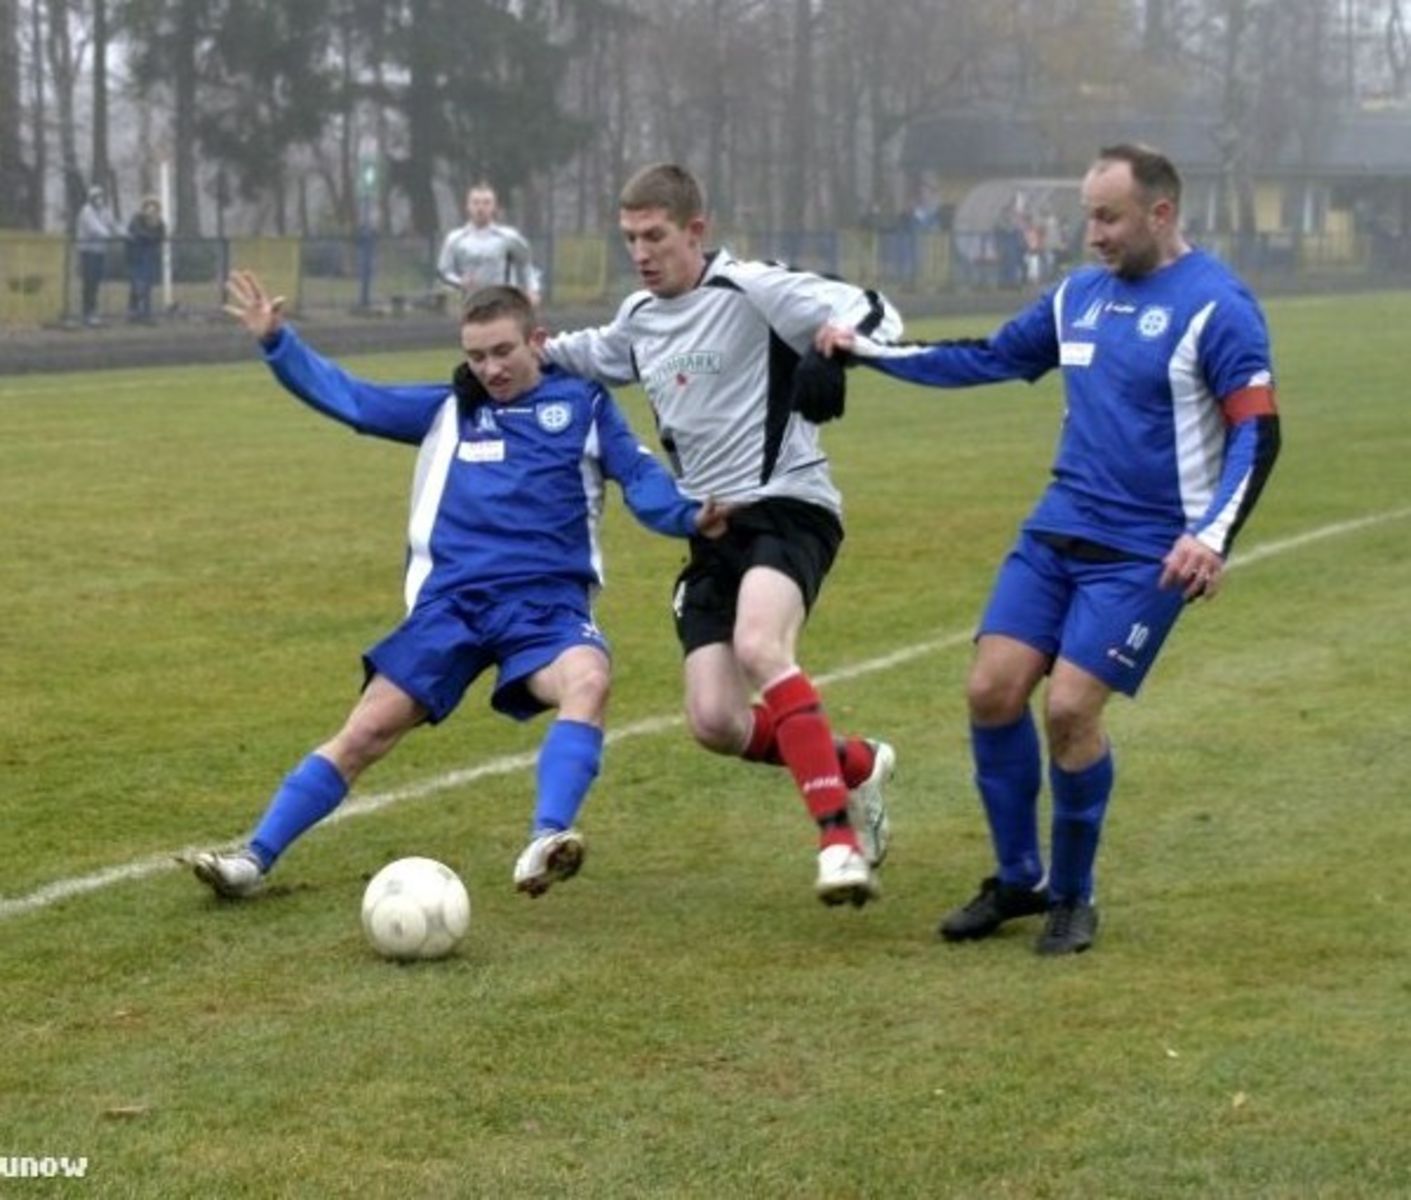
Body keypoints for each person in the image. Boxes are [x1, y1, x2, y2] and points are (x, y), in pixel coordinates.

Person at [817, 143, 1281, 952]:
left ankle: (1073, 892)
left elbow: (1257, 429)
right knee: (991, 692)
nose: (1091, 234)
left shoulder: (1218, 306)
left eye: (1107, 217)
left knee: (1068, 710)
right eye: (1086, 217)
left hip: (1145, 551)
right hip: (1055, 530)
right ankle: (1018, 879)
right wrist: (865, 354)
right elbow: (989, 357)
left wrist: (1209, 537)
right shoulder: (1077, 298)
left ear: (1159, 213)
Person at [193, 272, 727, 900]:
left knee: (588, 680)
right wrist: (279, 343)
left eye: (503, 351)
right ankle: (251, 860)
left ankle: (547, 838)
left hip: (545, 608)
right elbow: (356, 401)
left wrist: (688, 515)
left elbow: (640, 478)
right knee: (367, 731)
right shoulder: (450, 410)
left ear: (538, 341)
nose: (490, 368)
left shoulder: (583, 407)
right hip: (453, 606)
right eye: (476, 357)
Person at [543, 163, 903, 907]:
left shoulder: (752, 288)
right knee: (714, 721)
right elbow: (585, 353)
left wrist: (835, 342)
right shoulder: (639, 317)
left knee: (760, 646)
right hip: (713, 531)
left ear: (695, 230)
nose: (641, 252)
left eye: (655, 236)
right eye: (630, 238)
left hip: (789, 507)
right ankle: (856, 765)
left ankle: (837, 842)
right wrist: (515, 357)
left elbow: (871, 308)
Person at [436, 182, 541, 306]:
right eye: (475, 202)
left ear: (494, 206)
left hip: (504, 303)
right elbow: (443, 272)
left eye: (486, 203)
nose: (480, 208)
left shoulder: (508, 237)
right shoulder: (455, 239)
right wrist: (460, 281)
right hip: (472, 304)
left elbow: (527, 263)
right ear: (468, 206)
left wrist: (532, 289)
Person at [75, 185, 124, 327]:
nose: (99, 199)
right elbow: (95, 228)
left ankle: (93, 312)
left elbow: (113, 224)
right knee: (89, 282)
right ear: (91, 198)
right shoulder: (86, 211)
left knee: (95, 282)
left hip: (99, 251)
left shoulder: (105, 211)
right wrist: (110, 236)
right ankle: (87, 313)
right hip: (87, 251)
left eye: (101, 196)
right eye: (96, 197)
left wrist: (125, 234)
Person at [125, 196, 166, 322]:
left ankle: (145, 313)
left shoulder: (159, 222)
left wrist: (152, 236)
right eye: (149, 206)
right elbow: (138, 233)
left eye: (154, 207)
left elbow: (161, 235)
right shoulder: (137, 219)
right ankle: (134, 312)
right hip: (136, 255)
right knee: (137, 285)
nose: (151, 210)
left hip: (149, 256)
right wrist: (150, 237)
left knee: (146, 285)